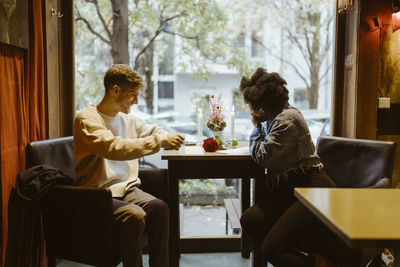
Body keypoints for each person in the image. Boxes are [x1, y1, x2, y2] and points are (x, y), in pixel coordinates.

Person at [239, 68, 360, 266]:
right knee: (250, 220)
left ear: (263, 106)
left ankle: (318, 263)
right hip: (293, 187)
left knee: (271, 249)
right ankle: (303, 257)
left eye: (254, 106)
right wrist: (260, 129)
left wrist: (255, 130)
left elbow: (264, 157)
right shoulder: (275, 117)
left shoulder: (286, 120)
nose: (252, 110)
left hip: (313, 188)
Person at [73, 64, 185, 267]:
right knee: (135, 215)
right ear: (115, 90)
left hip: (126, 190)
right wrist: (160, 141)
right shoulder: (87, 119)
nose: (135, 101)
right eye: (132, 95)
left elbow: (154, 130)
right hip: (96, 194)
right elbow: (113, 148)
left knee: (159, 208)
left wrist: (164, 135)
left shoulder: (128, 119)